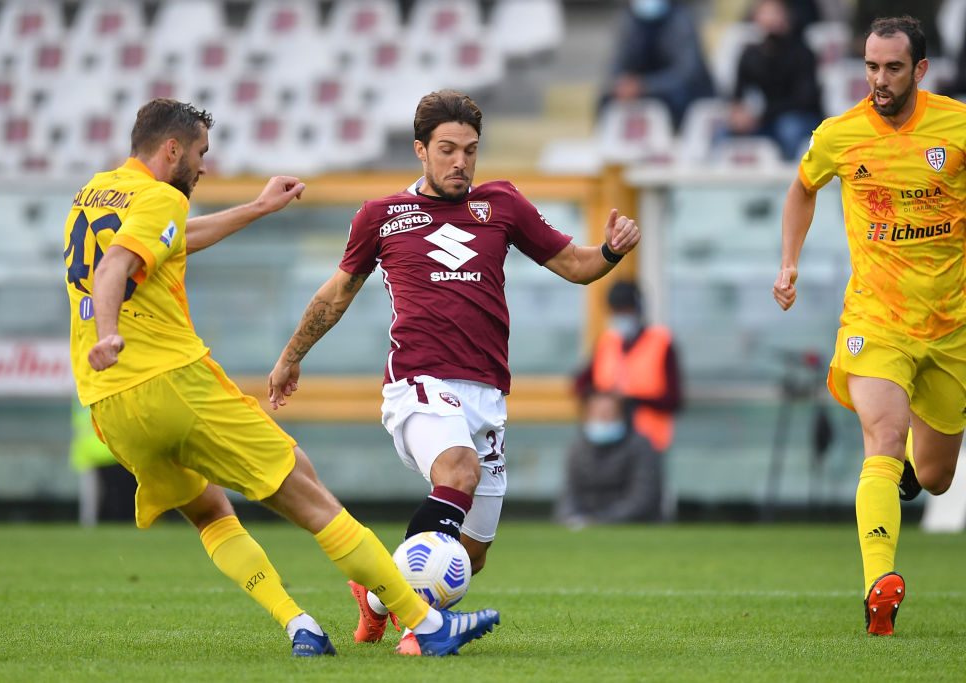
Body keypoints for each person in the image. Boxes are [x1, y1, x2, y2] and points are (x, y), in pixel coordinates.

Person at [65, 98, 499, 658]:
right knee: (307, 492)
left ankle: (299, 624)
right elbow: (114, 267)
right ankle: (424, 622)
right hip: (172, 383)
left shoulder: (95, 193)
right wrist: (109, 331)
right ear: (171, 149)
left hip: (109, 404)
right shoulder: (162, 196)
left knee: (208, 513)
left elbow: (171, 239)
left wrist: (257, 208)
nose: (202, 167)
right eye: (199, 154)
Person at [268, 89, 640, 654]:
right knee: (459, 470)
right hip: (419, 383)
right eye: (447, 150)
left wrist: (609, 251)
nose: (460, 161)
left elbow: (575, 265)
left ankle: (374, 600)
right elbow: (336, 293)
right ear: (421, 150)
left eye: (470, 150)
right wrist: (291, 356)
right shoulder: (381, 216)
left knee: (471, 556)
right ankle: (422, 630)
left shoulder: (503, 204)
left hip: (486, 394)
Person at [773, 16, 966, 636]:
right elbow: (802, 188)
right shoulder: (840, 134)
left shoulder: (956, 127)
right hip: (875, 320)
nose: (879, 80)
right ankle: (878, 588)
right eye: (871, 66)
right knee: (881, 434)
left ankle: (912, 459)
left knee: (935, 477)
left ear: (921, 70)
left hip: (951, 327)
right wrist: (789, 262)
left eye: (893, 68)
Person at [575, 280, 682, 456]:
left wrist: (633, 400)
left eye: (626, 311)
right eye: (616, 311)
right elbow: (580, 384)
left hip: (650, 444)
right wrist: (604, 400)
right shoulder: (607, 343)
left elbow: (674, 400)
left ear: (638, 310)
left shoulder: (661, 343)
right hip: (609, 442)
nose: (621, 317)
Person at [727, 0, 823, 160]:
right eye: (765, 13)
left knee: (789, 127)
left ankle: (794, 173)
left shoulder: (802, 53)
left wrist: (762, 115)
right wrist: (739, 114)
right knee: (723, 132)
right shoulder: (749, 55)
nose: (770, 20)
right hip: (763, 121)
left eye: (775, 13)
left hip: (798, 118)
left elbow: (804, 100)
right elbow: (739, 94)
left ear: (787, 17)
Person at [598, 0, 715, 129]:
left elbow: (686, 73)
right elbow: (617, 63)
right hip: (642, 89)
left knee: (677, 97)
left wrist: (645, 86)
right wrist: (622, 84)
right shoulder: (629, 20)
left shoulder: (681, 20)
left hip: (676, 91)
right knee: (607, 99)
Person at [554, 393, 663, 527]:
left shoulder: (640, 446)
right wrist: (571, 517)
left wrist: (601, 520)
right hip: (586, 523)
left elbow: (642, 497)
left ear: (622, 416)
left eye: (608, 414)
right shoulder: (577, 448)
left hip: (631, 524)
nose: (603, 419)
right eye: (597, 414)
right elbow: (568, 494)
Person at [70, 401, 137, 524]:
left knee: (95, 497)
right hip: (108, 453)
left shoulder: (80, 399)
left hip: (94, 454)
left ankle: (91, 524)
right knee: (114, 495)